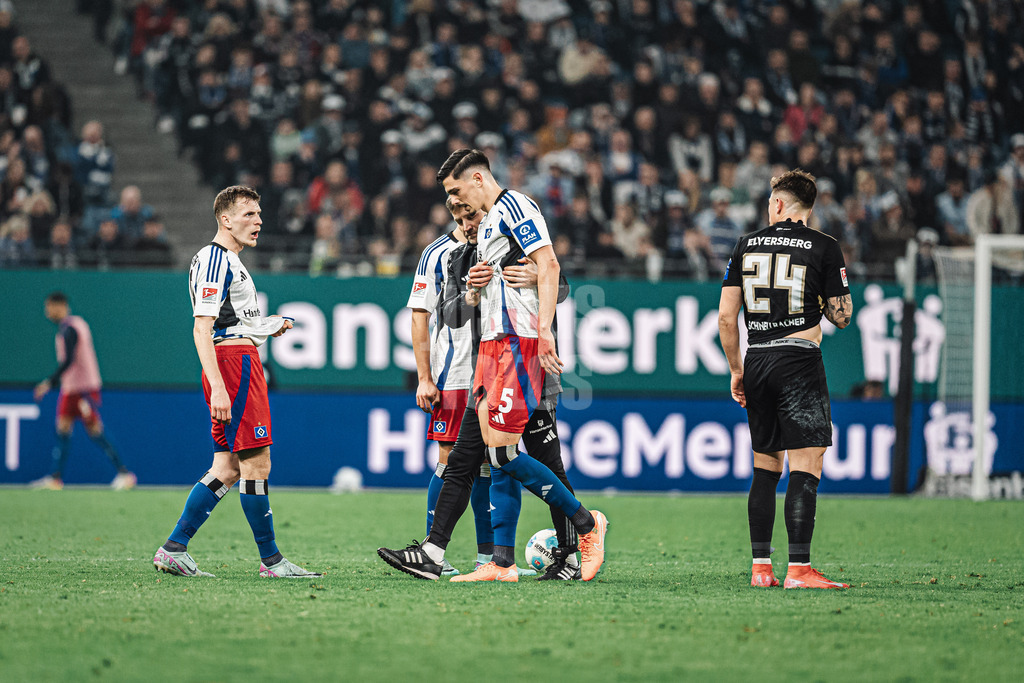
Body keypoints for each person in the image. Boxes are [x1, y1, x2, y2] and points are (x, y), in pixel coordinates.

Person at [378, 149, 607, 582]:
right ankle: (459, 556)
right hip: (490, 348)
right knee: (467, 454)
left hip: (517, 347)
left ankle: (585, 526)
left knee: (505, 454)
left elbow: (551, 266)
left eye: (457, 192)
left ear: (478, 180)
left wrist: (543, 330)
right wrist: (475, 290)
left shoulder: (515, 206)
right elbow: (478, 297)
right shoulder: (478, 236)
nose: (456, 206)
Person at [152, 185, 320, 579]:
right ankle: (273, 563)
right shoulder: (215, 258)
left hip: (235, 358)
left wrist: (267, 324)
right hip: (232, 365)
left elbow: (230, 323)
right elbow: (202, 328)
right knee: (256, 463)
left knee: (226, 466)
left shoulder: (227, 259)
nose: (258, 221)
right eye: (248, 214)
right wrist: (220, 385)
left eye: (259, 214)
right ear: (225, 219)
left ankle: (174, 548)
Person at [718, 170, 853, 590]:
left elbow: (725, 317)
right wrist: (818, 302)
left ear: (778, 204)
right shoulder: (825, 247)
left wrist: (736, 369)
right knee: (807, 465)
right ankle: (798, 569)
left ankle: (761, 568)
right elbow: (843, 317)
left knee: (765, 466)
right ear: (808, 209)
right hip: (798, 358)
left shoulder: (745, 244)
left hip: (756, 358)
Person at [405, 195, 495, 577]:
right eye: (465, 213)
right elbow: (420, 316)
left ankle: (488, 560)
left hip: (494, 369)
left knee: (489, 465)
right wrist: (425, 377)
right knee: (451, 462)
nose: (471, 219)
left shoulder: (497, 246)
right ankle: (431, 550)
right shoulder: (437, 253)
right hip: (456, 372)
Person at [31, 292, 136, 491]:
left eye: (49, 307)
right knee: (63, 427)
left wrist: (48, 382)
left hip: (81, 389)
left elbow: (69, 360)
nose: (47, 312)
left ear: (59, 306)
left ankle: (124, 474)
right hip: (73, 388)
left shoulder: (70, 328)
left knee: (94, 430)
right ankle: (55, 477)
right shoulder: (73, 325)